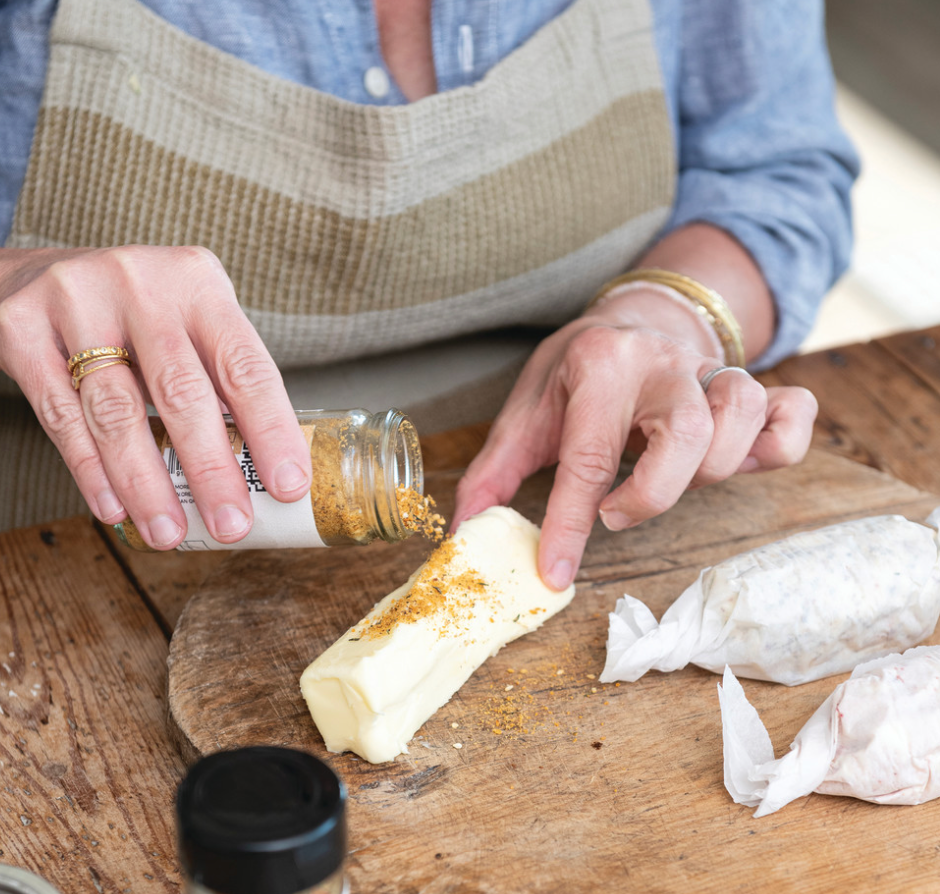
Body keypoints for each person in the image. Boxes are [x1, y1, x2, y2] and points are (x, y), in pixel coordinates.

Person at [0, 0, 857, 587]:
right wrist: (15, 278)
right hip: (56, 552)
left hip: (533, 500)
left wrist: (662, 311)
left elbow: (774, 170)